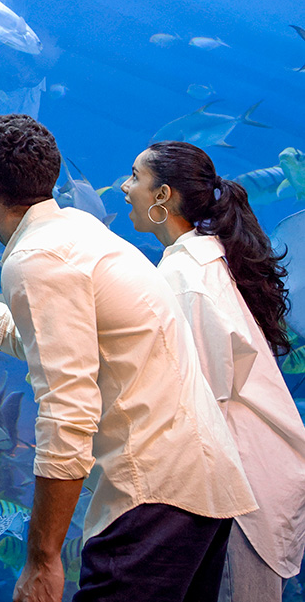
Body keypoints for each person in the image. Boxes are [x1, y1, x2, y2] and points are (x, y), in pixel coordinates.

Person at [0, 114, 256, 602]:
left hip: (153, 496)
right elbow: (23, 336)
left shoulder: (37, 259)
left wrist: (41, 559)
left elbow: (66, 413)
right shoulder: (75, 230)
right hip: (198, 487)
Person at [122, 141, 305, 601]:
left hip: (239, 498)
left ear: (163, 195)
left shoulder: (188, 278)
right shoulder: (206, 260)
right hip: (251, 486)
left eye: (135, 177)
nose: (125, 188)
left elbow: (202, 402)